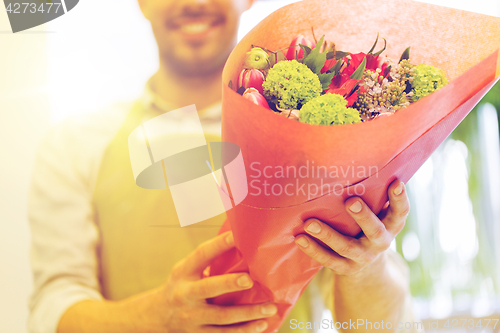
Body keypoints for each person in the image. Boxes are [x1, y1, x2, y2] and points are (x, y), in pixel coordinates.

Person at [27, 0, 418, 332]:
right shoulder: (76, 144)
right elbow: (54, 306)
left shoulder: (318, 137)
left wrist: (366, 263)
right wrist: (157, 316)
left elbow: (380, 325)